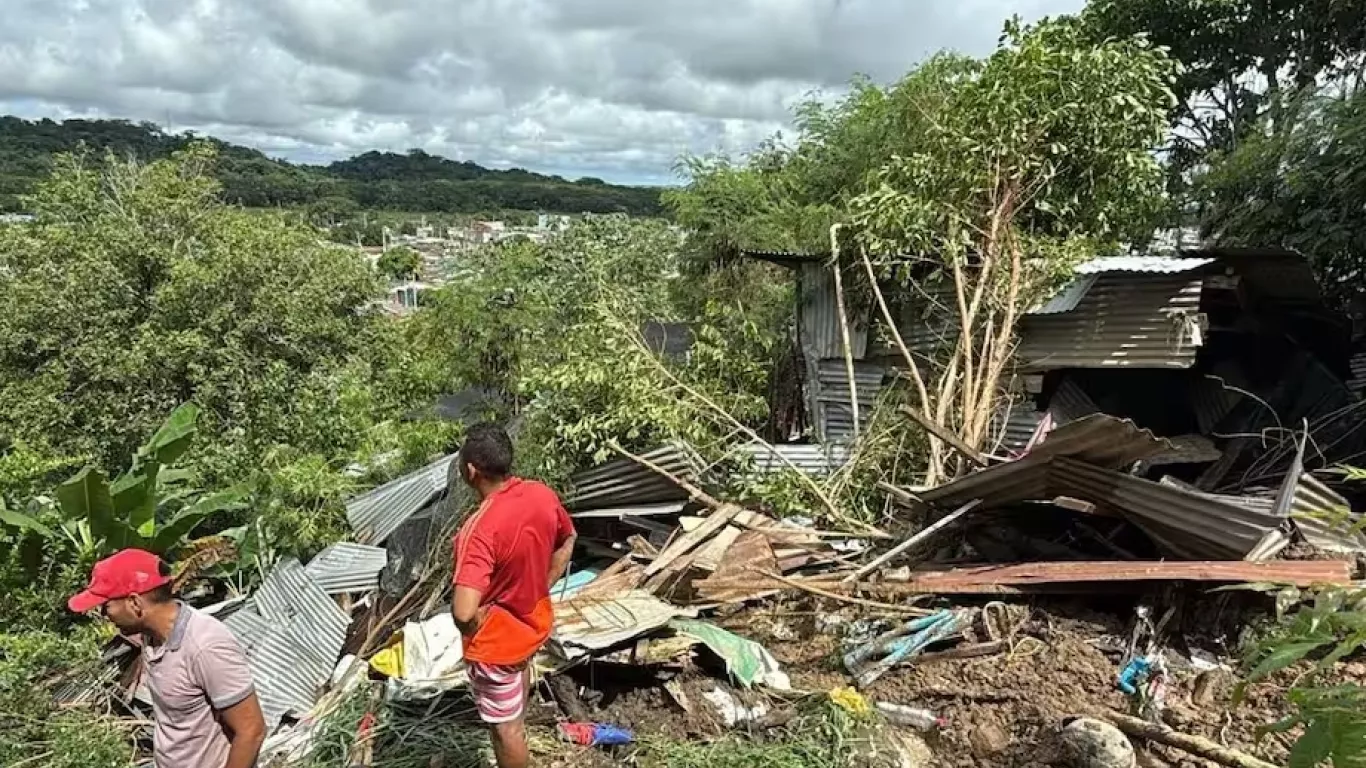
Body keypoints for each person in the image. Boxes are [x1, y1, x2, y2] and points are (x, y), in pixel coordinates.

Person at [69, 548, 266, 768]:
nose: (104, 616)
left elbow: (252, 730)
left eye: (106, 607)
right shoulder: (151, 637)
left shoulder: (205, 646)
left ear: (135, 603)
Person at [452, 423, 577, 768]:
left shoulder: (479, 529)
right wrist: (540, 585)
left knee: (506, 731)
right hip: (532, 626)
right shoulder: (541, 494)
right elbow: (567, 539)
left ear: (471, 471)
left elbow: (463, 613)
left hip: (497, 646)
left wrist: (479, 623)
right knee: (514, 714)